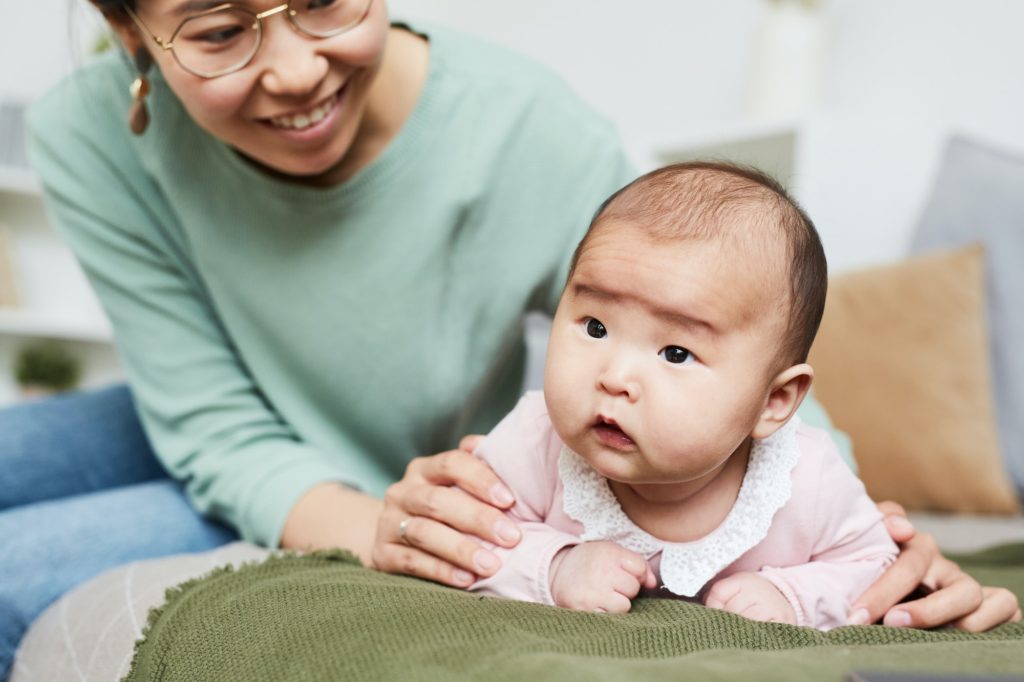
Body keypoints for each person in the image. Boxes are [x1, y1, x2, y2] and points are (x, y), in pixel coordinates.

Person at [1, 0, 1018, 675]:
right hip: (200, 421)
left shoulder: (527, 134)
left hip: (349, 464)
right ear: (132, 35)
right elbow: (211, 422)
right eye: (220, 30)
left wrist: (878, 556)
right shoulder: (87, 133)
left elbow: (735, 365)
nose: (296, 69)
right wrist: (387, 534)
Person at [469, 162, 897, 629]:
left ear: (773, 401)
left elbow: (874, 567)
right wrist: (554, 566)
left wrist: (791, 596)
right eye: (596, 327)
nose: (615, 378)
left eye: (675, 353)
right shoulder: (535, 440)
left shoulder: (806, 479)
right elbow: (468, 536)